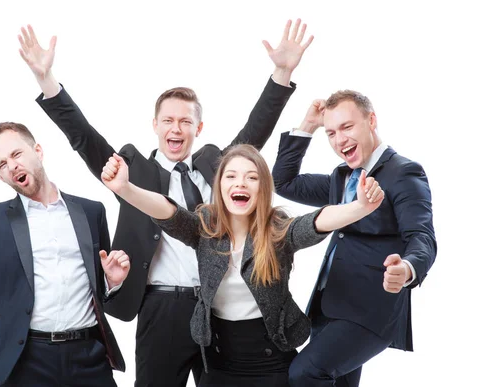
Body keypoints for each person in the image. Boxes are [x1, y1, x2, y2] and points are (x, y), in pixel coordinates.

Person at [18, 19, 313, 386]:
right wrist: (47, 81)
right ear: (155, 125)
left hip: (217, 309)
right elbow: (84, 137)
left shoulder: (218, 168)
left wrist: (281, 72)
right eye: (168, 121)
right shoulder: (130, 171)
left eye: (186, 122)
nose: (176, 129)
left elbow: (256, 130)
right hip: (162, 310)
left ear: (198, 129)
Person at [99, 143, 385, 386]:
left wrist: (359, 208)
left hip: (272, 363)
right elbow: (168, 212)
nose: (240, 184)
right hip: (219, 363)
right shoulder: (204, 227)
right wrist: (125, 189)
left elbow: (313, 223)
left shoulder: (277, 229)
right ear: (220, 185)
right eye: (231, 176)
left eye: (251, 178)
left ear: (262, 187)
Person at [0, 122, 129, 386]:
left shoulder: (91, 211)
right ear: (0, 176)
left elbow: (101, 293)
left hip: (88, 356)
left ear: (38, 151)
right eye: (2, 164)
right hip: (25, 361)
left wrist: (112, 281)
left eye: (16, 154)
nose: (12, 166)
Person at [272, 91, 437, 386]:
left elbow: (422, 237)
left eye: (347, 127)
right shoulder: (341, 177)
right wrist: (307, 126)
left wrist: (408, 269)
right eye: (332, 133)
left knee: (303, 373)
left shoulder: (404, 173)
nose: (339, 140)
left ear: (371, 121)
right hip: (330, 304)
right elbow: (283, 181)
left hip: (369, 311)